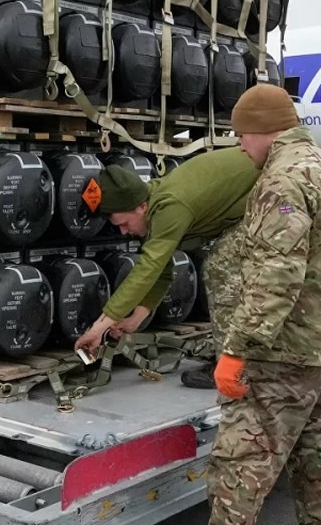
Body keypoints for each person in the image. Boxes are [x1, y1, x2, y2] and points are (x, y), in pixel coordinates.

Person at [140, 85, 321, 525]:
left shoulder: (283, 180)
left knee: (241, 471)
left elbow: (274, 278)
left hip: (280, 356)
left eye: (242, 136)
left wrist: (236, 349)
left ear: (264, 129)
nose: (241, 148)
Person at [73, 149, 260, 387]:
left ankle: (234, 368)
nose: (123, 232)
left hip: (273, 190)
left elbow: (148, 269)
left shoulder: (170, 206)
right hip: (251, 201)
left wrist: (99, 327)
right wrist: (134, 320)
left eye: (124, 223)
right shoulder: (152, 207)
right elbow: (161, 272)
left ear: (140, 207)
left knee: (220, 269)